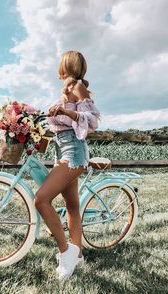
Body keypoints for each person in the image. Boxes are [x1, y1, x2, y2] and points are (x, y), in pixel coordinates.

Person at [34, 50, 100, 281]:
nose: (58, 68)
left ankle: (66, 251)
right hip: (61, 151)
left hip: (73, 154)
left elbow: (92, 120)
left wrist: (63, 110)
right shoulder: (67, 90)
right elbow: (59, 128)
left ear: (67, 66)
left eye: (61, 64)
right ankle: (78, 255)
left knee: (41, 199)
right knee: (72, 206)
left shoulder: (77, 87)